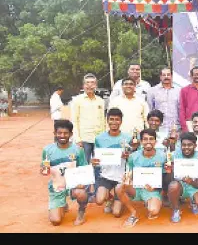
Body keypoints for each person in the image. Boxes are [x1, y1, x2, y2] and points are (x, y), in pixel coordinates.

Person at [115, 129, 167, 228]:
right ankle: (133, 213)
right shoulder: (133, 156)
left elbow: (166, 178)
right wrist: (127, 178)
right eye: (145, 139)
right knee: (119, 187)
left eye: (151, 139)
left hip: (153, 190)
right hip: (137, 187)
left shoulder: (163, 156)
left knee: (153, 211)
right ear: (141, 142)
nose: (148, 142)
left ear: (155, 142)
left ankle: (151, 202)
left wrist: (157, 189)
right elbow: (130, 172)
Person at [40, 120, 88, 226]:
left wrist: (82, 184)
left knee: (81, 193)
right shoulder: (47, 150)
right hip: (56, 187)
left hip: (72, 186)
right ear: (55, 133)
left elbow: (83, 169)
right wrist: (44, 170)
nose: (62, 135)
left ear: (71, 134)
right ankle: (62, 204)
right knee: (55, 221)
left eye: (65, 133)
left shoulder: (78, 150)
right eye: (59, 133)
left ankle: (81, 213)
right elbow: (43, 170)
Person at [91, 108, 132, 217]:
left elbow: (132, 157)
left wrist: (128, 156)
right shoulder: (99, 138)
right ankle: (110, 197)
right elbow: (96, 158)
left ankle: (118, 197)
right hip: (106, 176)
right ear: (107, 120)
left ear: (121, 121)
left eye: (117, 119)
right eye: (111, 119)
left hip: (121, 176)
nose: (114, 122)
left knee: (116, 213)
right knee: (99, 200)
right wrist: (94, 161)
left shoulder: (128, 137)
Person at [71, 73, 106, 201]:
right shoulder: (77, 100)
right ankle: (84, 192)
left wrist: (104, 137)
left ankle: (97, 192)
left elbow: (103, 120)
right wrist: (77, 138)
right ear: (83, 85)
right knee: (84, 166)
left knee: (98, 166)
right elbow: (74, 120)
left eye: (92, 83)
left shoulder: (100, 101)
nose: (90, 85)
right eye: (87, 83)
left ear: (96, 85)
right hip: (84, 139)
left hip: (98, 139)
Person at [167, 132, 198, 223]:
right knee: (173, 186)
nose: (186, 147)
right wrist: (170, 170)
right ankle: (176, 209)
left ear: (195, 145)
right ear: (180, 145)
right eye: (184, 145)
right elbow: (170, 180)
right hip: (180, 185)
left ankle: (193, 201)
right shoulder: (174, 155)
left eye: (190, 145)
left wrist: (191, 181)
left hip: (194, 185)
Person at [146, 67, 180, 133]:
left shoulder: (179, 91)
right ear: (160, 77)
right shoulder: (152, 91)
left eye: (168, 75)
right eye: (164, 75)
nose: (166, 77)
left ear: (172, 76)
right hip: (158, 127)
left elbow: (181, 109)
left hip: (176, 128)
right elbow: (149, 109)